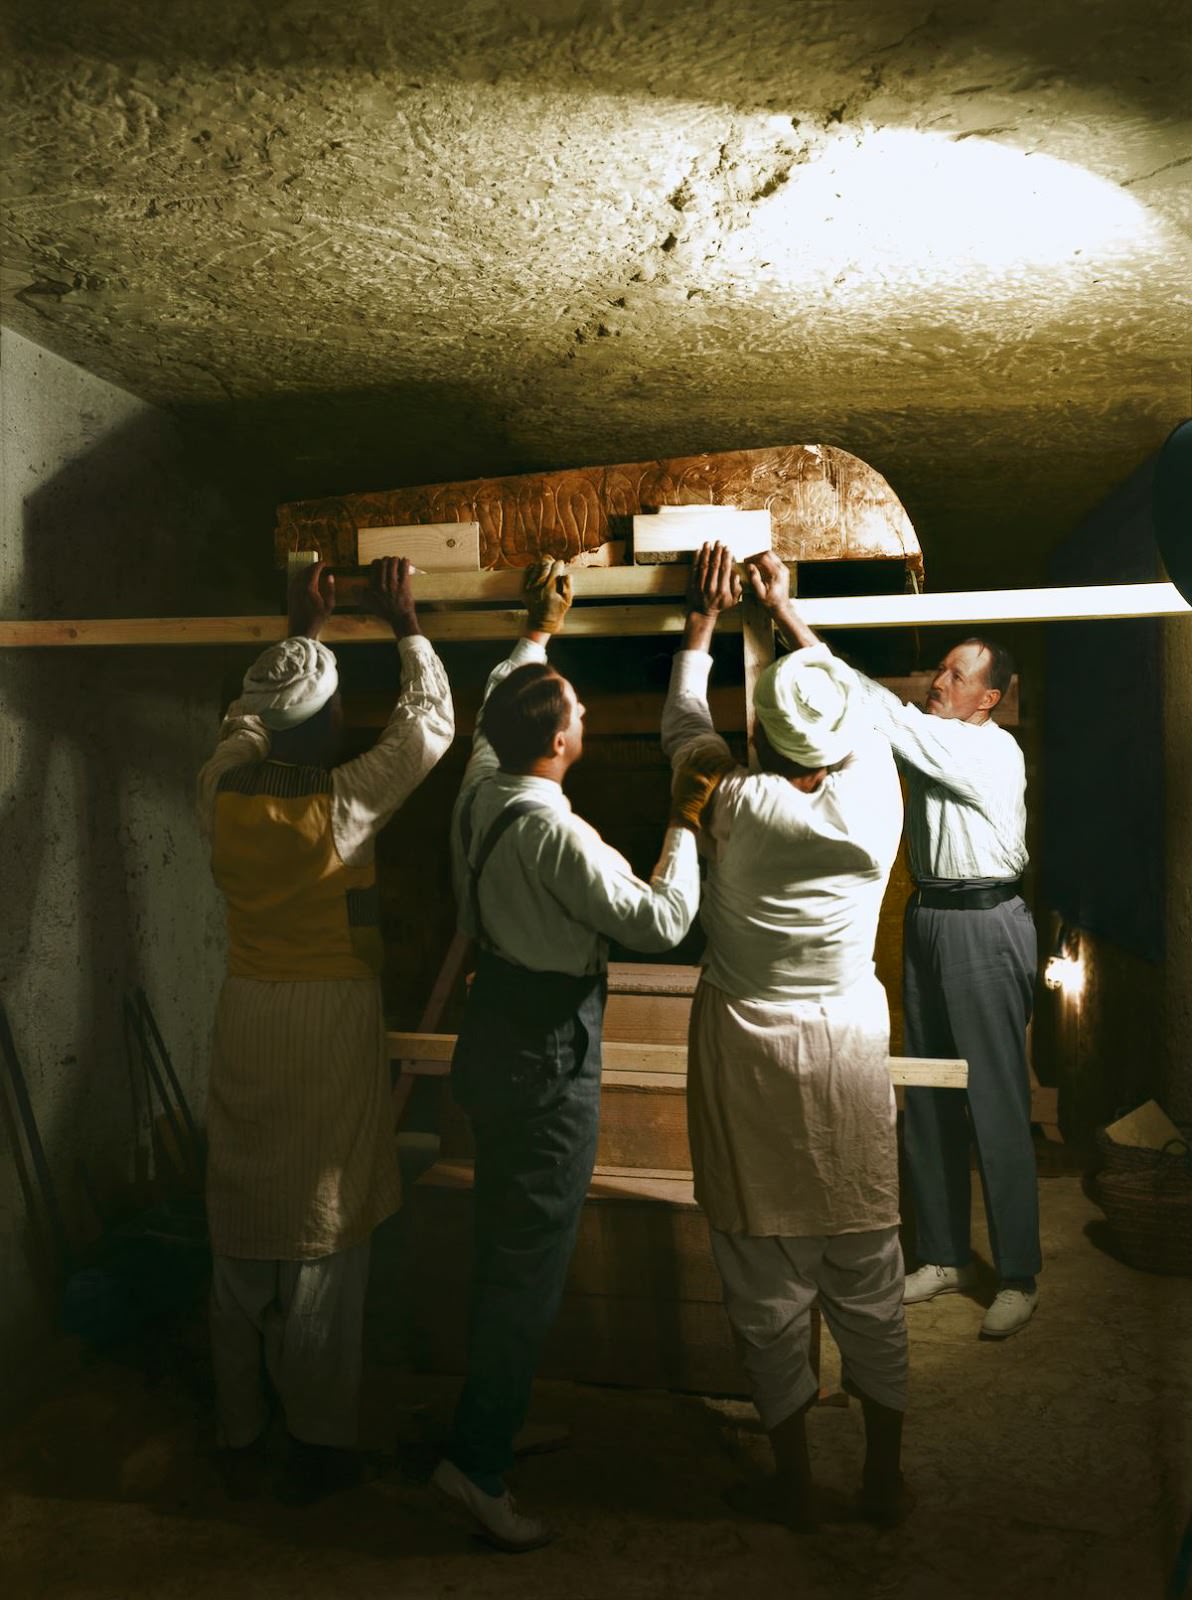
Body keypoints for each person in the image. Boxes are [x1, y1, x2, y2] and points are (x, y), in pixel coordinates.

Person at [431, 558, 725, 1552]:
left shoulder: (483, 790)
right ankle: (477, 1468)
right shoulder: (562, 839)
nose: (588, 724)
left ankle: (489, 1421)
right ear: (558, 743)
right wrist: (684, 822)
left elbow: (483, 721)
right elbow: (662, 920)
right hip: (549, 1051)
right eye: (578, 715)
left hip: (494, 1029)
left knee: (501, 1247)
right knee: (530, 1265)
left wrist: (536, 632)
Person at [661, 543, 910, 1529]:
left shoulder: (732, 800)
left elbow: (684, 725)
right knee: (867, 1273)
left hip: (748, 1048)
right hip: (845, 1037)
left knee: (763, 1279)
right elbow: (856, 709)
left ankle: (796, 1482)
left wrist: (704, 620)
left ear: (762, 736)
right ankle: (883, 1478)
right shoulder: (876, 798)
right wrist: (790, 612)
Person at [196, 557, 455, 1500]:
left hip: (247, 1014)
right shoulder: (340, 809)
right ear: (330, 722)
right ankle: (316, 1438)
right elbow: (429, 726)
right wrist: (405, 622)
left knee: (243, 1219)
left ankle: (237, 1430)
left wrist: (299, 632)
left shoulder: (220, 792)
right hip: (325, 1021)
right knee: (321, 1227)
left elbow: (244, 722)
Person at [746, 553, 1040, 1340]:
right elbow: (877, 712)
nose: (938, 681)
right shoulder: (943, 734)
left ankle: (1019, 1274)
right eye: (940, 669)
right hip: (932, 918)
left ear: (990, 697)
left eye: (954, 674)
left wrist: (788, 617)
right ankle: (943, 1253)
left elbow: (878, 710)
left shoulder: (987, 750)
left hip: (986, 921)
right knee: (926, 1090)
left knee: (997, 1095)